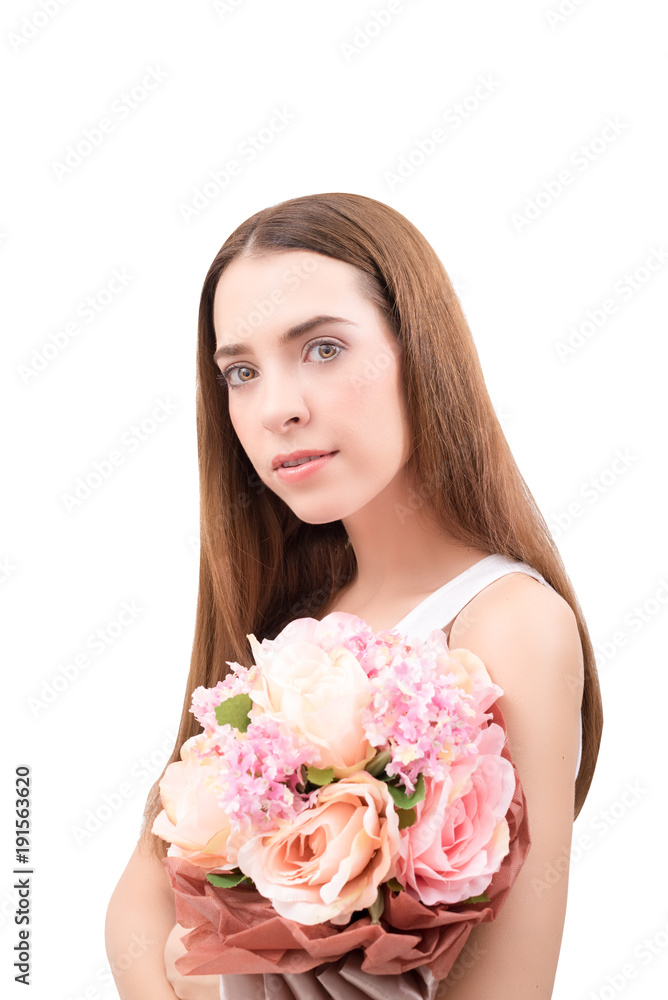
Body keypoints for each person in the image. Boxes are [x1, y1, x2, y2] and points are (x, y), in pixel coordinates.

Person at [105, 192, 603, 999]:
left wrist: (203, 975)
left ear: (419, 350)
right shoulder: (285, 619)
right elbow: (138, 904)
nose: (277, 408)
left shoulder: (511, 626)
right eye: (241, 371)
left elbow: (509, 987)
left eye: (325, 349)